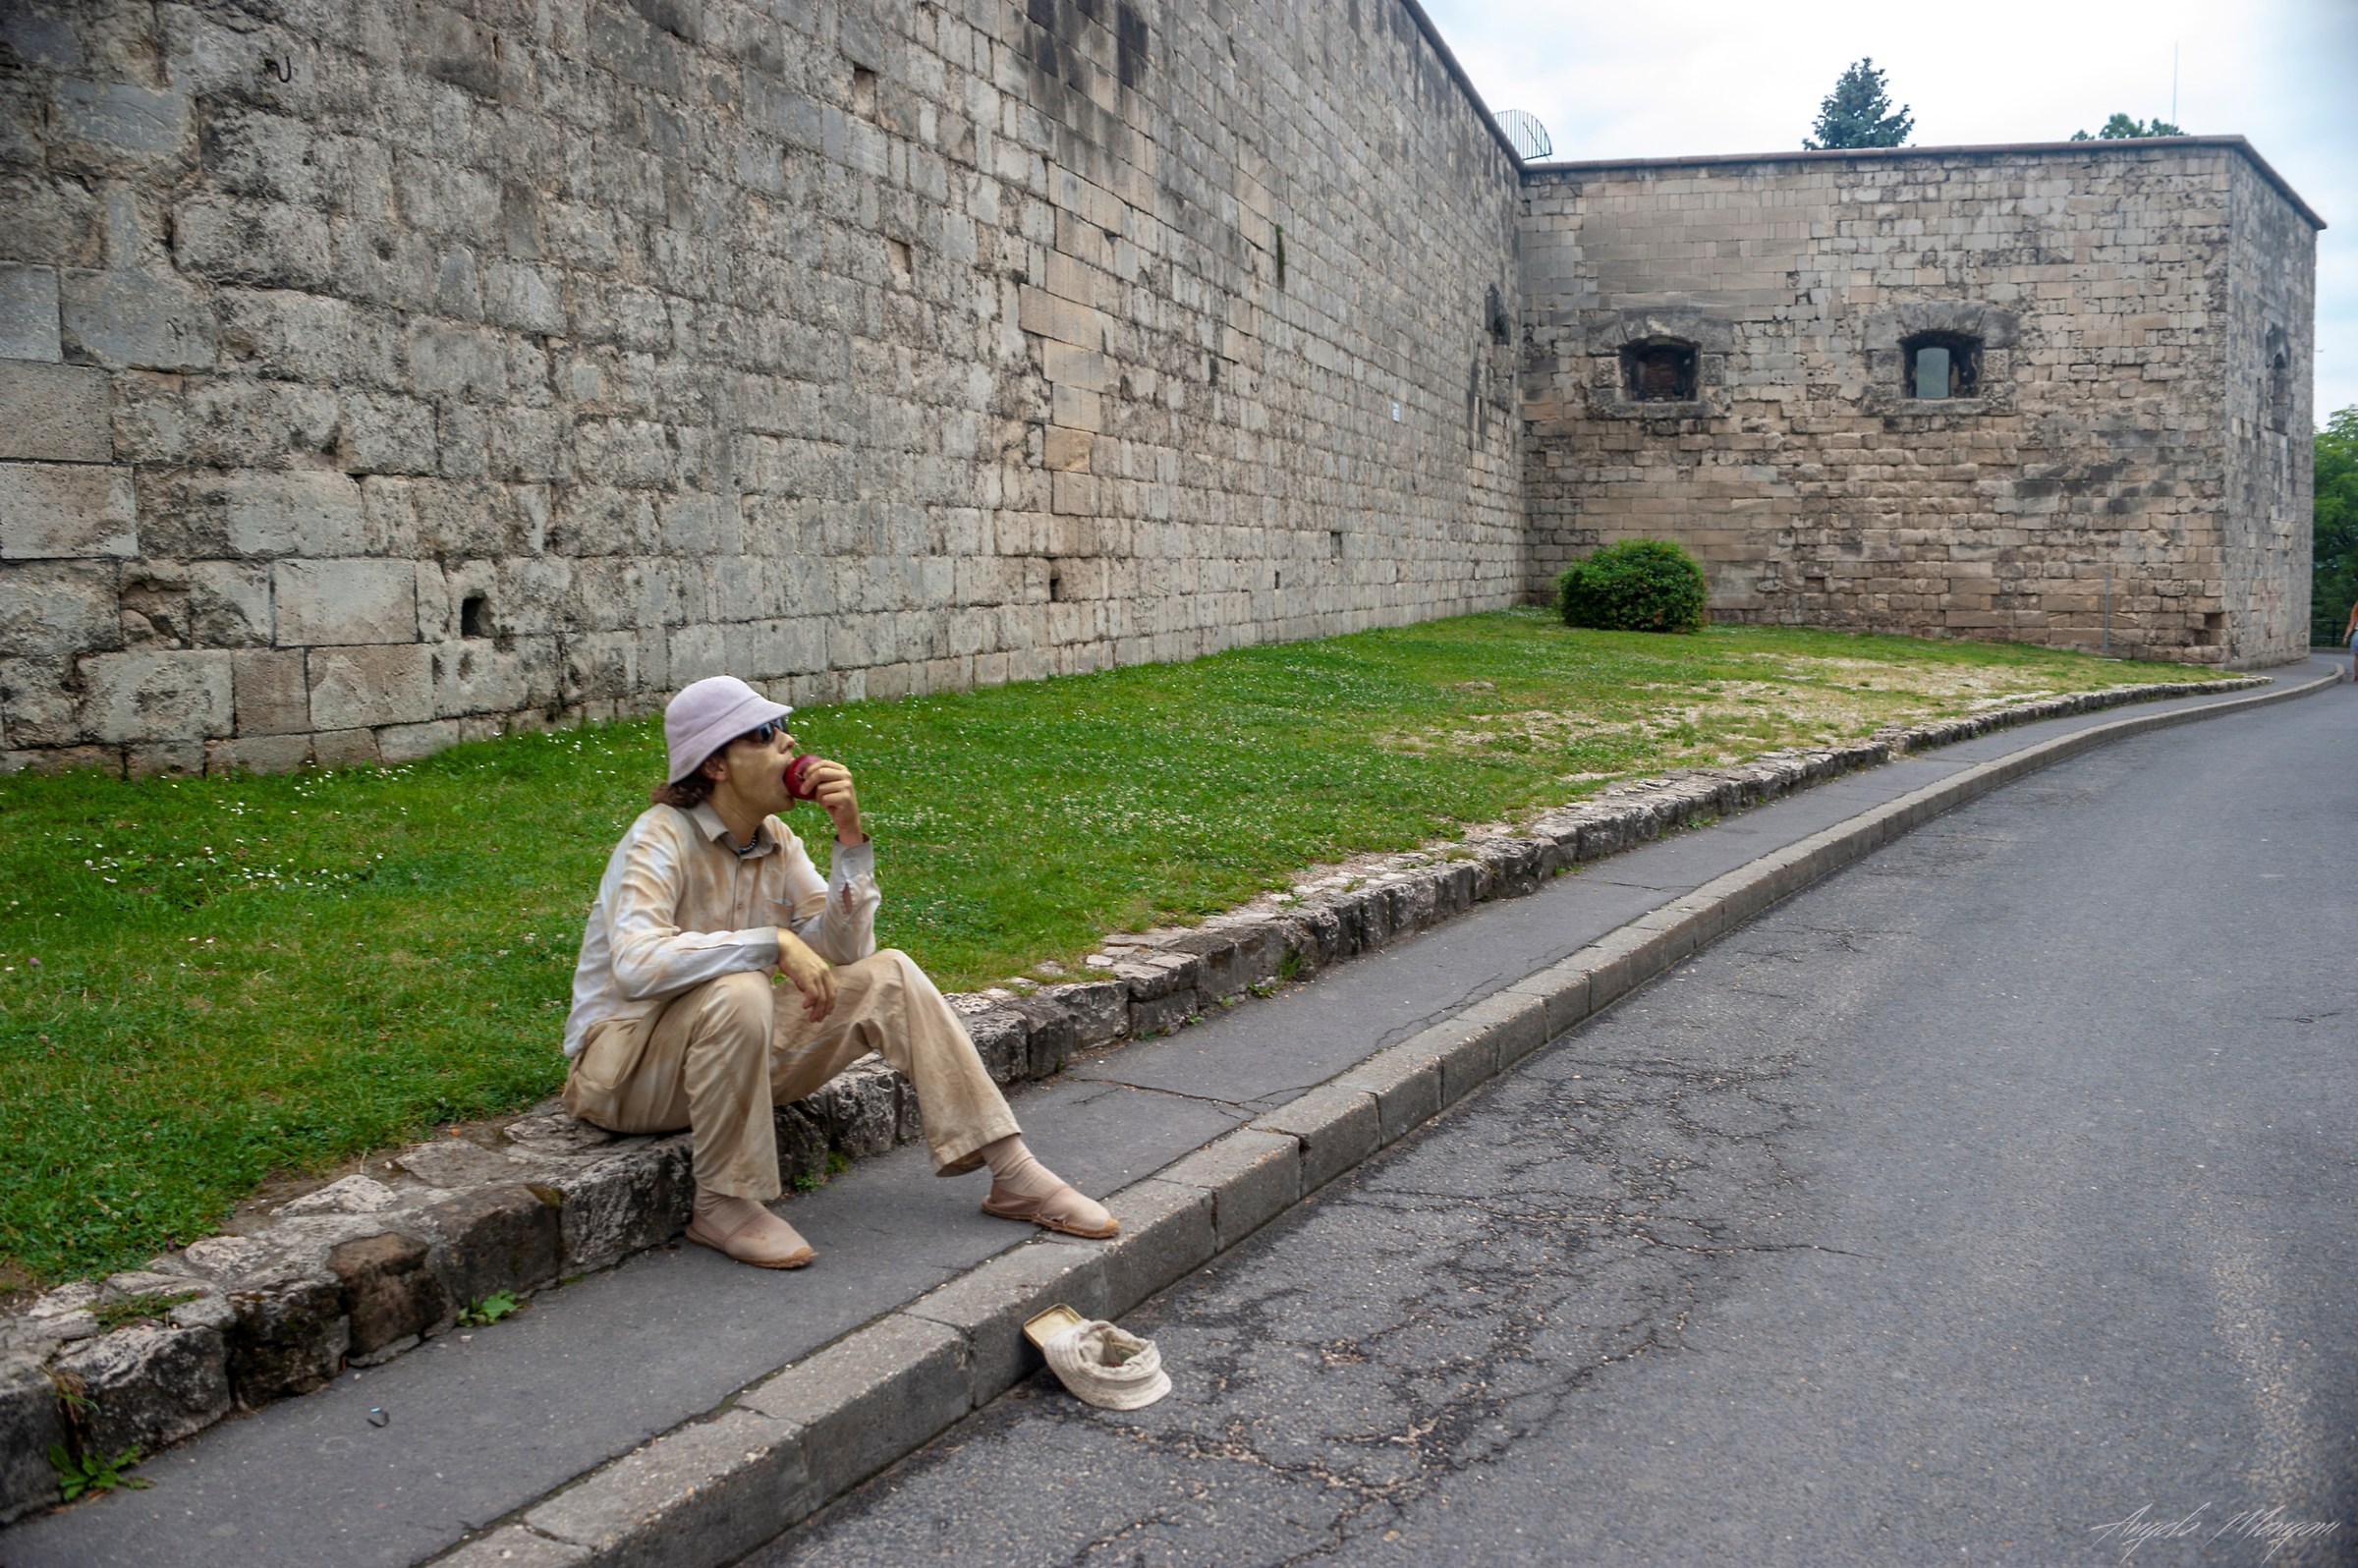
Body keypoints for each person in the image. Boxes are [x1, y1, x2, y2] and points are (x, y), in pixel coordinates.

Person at [559, 675, 1115, 1268]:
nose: (788, 741)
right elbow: (637, 965)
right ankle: (722, 1202)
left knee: (889, 973)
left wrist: (849, 837)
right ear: (715, 765)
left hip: (728, 1060)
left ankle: (1014, 1173)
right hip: (623, 1077)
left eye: (783, 727)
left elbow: (848, 950)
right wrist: (771, 943)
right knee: (741, 987)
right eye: (764, 733)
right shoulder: (657, 838)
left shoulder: (776, 839)